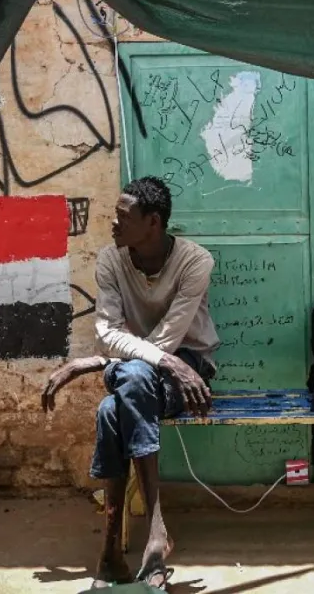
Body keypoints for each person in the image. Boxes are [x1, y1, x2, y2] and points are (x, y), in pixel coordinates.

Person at [40, 176, 219, 589]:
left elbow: (168, 340)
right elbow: (108, 333)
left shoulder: (195, 262)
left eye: (123, 217)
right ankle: (154, 532)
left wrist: (94, 363)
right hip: (139, 370)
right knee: (132, 381)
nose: (113, 223)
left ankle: (112, 551)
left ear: (153, 222)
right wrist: (115, 357)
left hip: (188, 368)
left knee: (112, 408)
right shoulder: (110, 260)